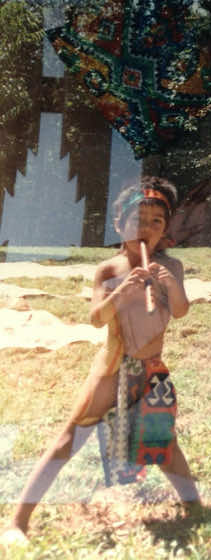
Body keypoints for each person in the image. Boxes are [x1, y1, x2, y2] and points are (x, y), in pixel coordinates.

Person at [1, 177, 199, 544]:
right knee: (67, 440)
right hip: (111, 369)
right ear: (119, 225)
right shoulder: (109, 270)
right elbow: (96, 318)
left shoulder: (172, 266)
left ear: (166, 229)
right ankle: (18, 521)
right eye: (138, 219)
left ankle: (196, 508)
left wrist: (169, 283)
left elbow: (183, 311)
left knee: (164, 443)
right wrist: (122, 291)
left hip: (151, 370)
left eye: (157, 221)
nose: (147, 228)